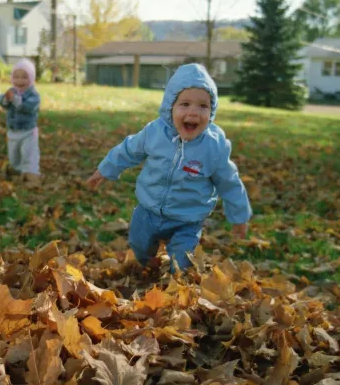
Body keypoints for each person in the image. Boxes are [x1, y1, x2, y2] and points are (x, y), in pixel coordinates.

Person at [86, 63, 252, 271]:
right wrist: (106, 169)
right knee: (140, 249)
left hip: (188, 219)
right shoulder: (155, 133)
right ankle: (147, 269)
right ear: (169, 107)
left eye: (203, 106)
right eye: (185, 104)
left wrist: (239, 216)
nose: (193, 113)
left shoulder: (214, 147)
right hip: (149, 210)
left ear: (212, 111)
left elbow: (230, 182)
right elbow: (129, 150)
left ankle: (174, 289)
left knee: (180, 264)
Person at [0, 59, 41, 184]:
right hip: (13, 130)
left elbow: (28, 107)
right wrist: (6, 99)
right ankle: (16, 170)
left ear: (31, 79)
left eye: (24, 77)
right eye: (16, 77)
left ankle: (32, 174)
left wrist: (15, 100)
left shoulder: (33, 95)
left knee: (29, 153)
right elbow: (3, 102)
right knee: (13, 154)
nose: (20, 81)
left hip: (28, 131)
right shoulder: (11, 91)